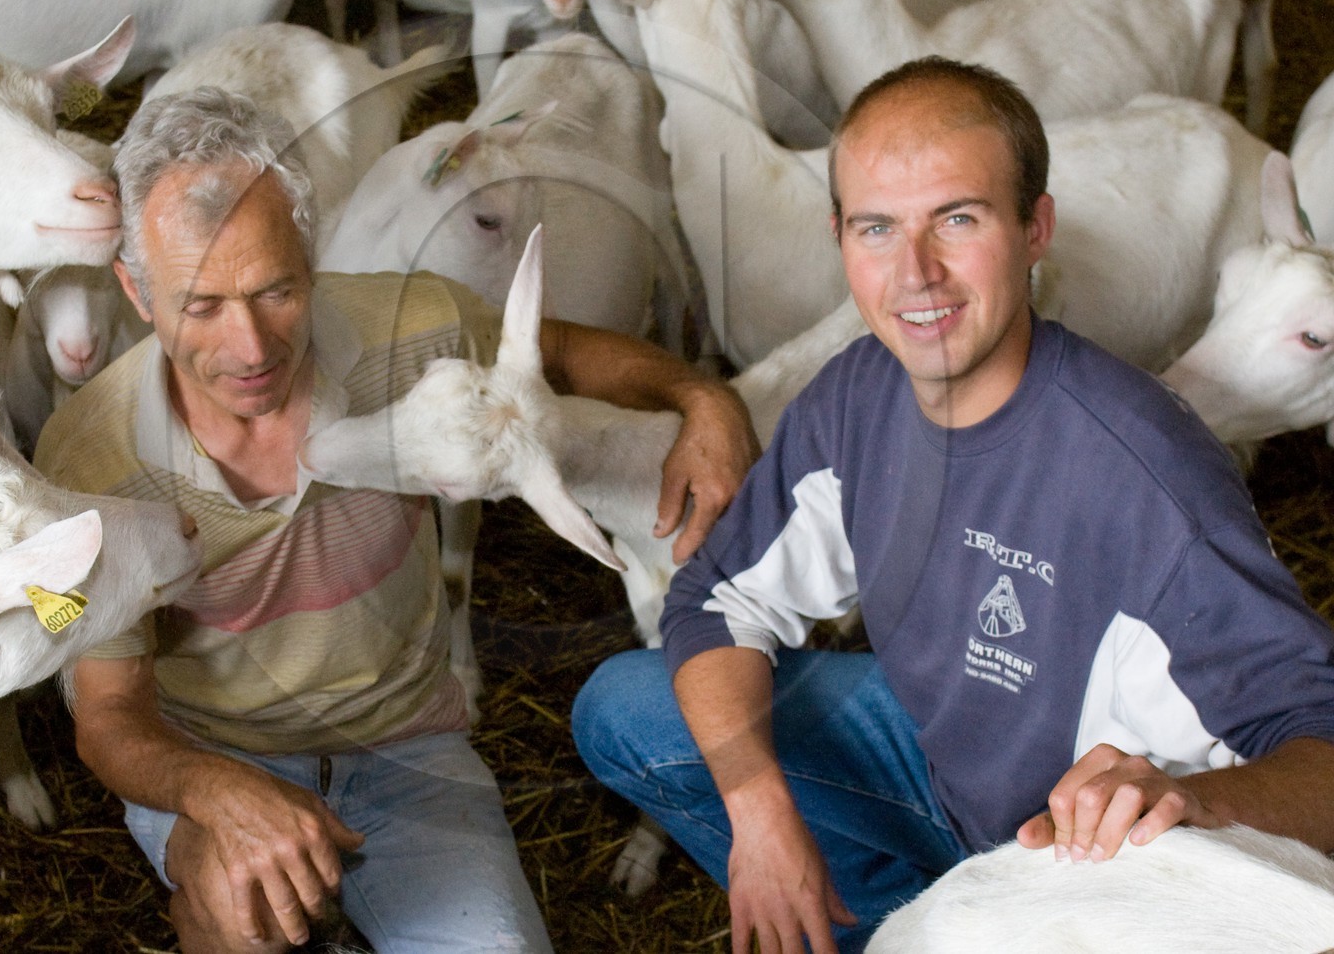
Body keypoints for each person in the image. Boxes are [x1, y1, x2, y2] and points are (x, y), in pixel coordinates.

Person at [571, 57, 1334, 954]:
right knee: (624, 708)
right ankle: (886, 927)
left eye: (958, 220)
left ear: (1035, 227)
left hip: (1080, 857)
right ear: (839, 237)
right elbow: (715, 597)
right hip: (938, 763)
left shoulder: (1146, 480)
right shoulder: (858, 395)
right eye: (878, 228)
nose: (916, 273)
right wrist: (760, 813)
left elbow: (1319, 742)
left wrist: (1195, 798)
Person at [33, 86, 757, 954]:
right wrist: (211, 791)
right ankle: (213, 904)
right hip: (219, 758)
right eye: (202, 306)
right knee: (243, 917)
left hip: (409, 752)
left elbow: (555, 352)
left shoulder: (413, 323)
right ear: (136, 292)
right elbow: (106, 717)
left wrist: (701, 394)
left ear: (311, 253)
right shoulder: (84, 459)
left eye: (276, 291)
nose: (253, 348)